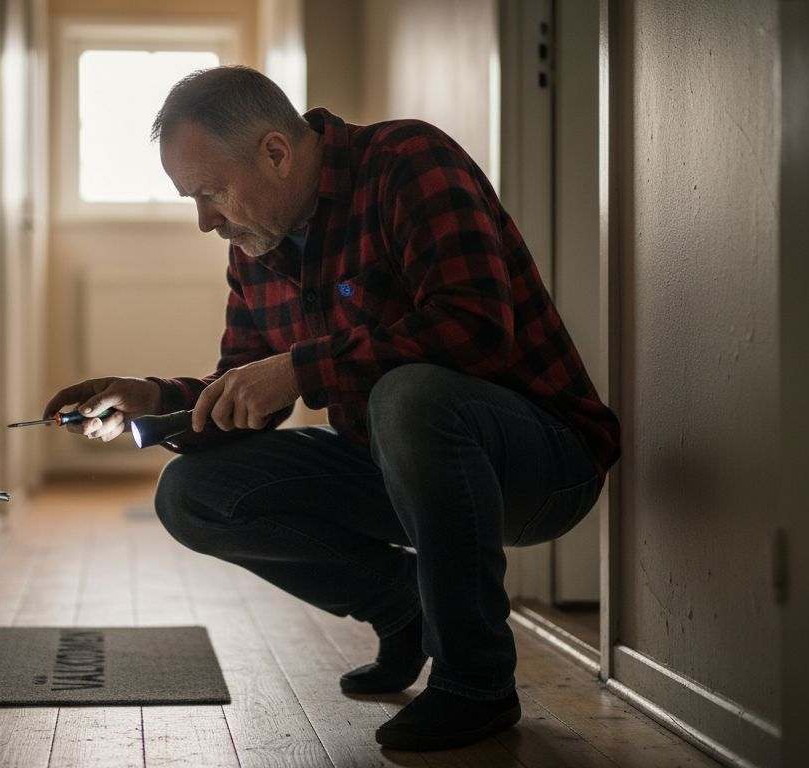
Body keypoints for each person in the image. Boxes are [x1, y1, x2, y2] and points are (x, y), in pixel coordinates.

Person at [42, 65, 620, 752]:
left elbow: (475, 328)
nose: (205, 221)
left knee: (408, 394)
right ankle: (402, 608)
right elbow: (245, 391)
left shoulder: (409, 164)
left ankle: (476, 682)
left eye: (210, 193)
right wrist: (151, 398)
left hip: (542, 461)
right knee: (191, 493)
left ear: (276, 152)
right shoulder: (255, 246)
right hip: (393, 464)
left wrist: (299, 369)